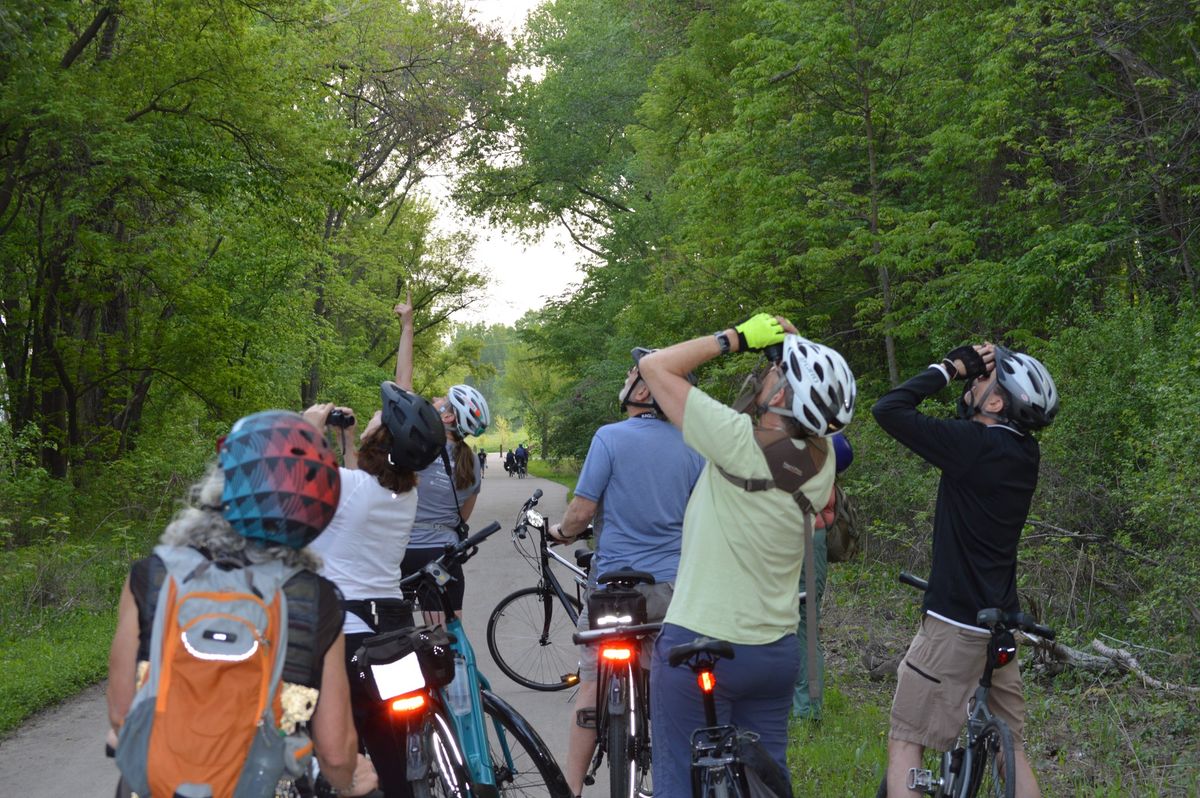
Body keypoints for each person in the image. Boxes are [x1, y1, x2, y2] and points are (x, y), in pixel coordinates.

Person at [637, 313, 856, 797]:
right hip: (773, 653)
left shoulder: (736, 440)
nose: (765, 375)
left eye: (775, 373)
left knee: (679, 778)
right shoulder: (821, 462)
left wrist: (734, 339)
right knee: (768, 779)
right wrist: (795, 349)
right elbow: (818, 414)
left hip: (700, 643)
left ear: (780, 396)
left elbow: (655, 368)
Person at [106, 411, 378, 797]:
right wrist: (348, 779)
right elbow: (335, 753)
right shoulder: (315, 599)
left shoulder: (152, 577)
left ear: (224, 483)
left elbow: (121, 713)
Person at [873, 342, 1058, 798]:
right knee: (1010, 750)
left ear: (996, 403)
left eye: (982, 381)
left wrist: (950, 366)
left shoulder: (974, 447)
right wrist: (976, 376)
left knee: (907, 742)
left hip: (954, 627)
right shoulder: (1023, 453)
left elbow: (890, 409)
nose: (973, 380)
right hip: (999, 626)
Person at [547, 347, 705, 796]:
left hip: (613, 588)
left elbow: (580, 513)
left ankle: (570, 789)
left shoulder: (610, 438)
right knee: (671, 692)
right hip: (670, 591)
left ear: (642, 389)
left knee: (593, 687)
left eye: (632, 373)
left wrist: (561, 532)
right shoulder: (695, 445)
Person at [304, 381, 446, 798]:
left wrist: (311, 426)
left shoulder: (349, 489)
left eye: (376, 417)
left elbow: (290, 468)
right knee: (388, 748)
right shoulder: (403, 495)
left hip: (342, 636)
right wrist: (348, 438)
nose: (371, 416)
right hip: (389, 633)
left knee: (328, 749)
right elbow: (360, 481)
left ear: (381, 439)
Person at [392, 296, 490, 625]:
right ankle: (462, 676)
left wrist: (408, 327)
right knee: (449, 636)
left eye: (442, 401)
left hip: (405, 553)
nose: (434, 400)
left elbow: (402, 385)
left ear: (448, 417)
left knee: (402, 638)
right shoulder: (472, 463)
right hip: (444, 556)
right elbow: (460, 518)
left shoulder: (417, 445)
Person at [792, 430, 853, 721]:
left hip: (808, 541)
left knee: (806, 623)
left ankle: (808, 709)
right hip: (795, 542)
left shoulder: (823, 453)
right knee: (794, 624)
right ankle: (798, 704)